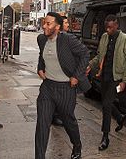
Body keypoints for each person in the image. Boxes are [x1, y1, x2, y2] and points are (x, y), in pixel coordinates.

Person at [35, 12, 90, 159]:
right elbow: (42, 55)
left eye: (48, 23)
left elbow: (85, 54)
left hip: (65, 88)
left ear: (57, 27)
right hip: (47, 88)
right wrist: (40, 68)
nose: (44, 26)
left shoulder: (68, 40)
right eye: (44, 22)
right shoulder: (41, 39)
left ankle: (77, 145)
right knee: (42, 123)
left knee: (68, 121)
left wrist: (76, 76)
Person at [86, 14, 126, 151]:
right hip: (105, 77)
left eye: (111, 27)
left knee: (107, 105)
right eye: (106, 27)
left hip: (117, 78)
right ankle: (120, 118)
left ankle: (105, 136)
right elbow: (99, 56)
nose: (108, 30)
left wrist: (125, 81)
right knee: (106, 103)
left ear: (117, 26)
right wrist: (90, 65)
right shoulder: (104, 37)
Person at [51, 15, 70, 127]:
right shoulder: (56, 38)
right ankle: (56, 116)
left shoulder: (67, 37)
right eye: (66, 23)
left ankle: (59, 115)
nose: (68, 25)